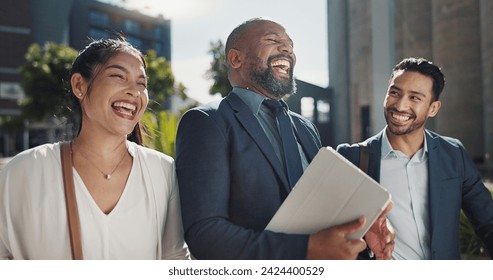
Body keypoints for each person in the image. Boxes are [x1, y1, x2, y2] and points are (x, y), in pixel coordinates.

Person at [175, 18, 394, 260]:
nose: (287, 49)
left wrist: (360, 231)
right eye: (272, 40)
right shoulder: (207, 122)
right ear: (236, 58)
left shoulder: (306, 128)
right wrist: (306, 249)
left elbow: (319, 211)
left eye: (290, 45)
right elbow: (205, 236)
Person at [0, 38, 190, 260]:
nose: (134, 91)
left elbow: (174, 257)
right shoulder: (25, 171)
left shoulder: (162, 171)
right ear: (79, 85)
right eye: (118, 76)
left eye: (142, 83)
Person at [337, 57, 493, 259]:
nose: (400, 106)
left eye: (414, 98)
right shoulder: (352, 158)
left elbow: (487, 222)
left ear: (433, 108)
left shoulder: (453, 154)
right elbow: (323, 230)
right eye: (395, 93)